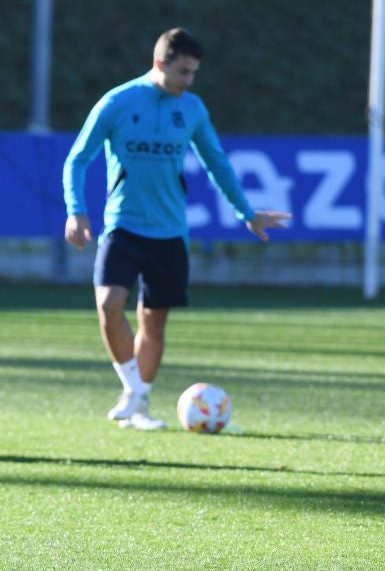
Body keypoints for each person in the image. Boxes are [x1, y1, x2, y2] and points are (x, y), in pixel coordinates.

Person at [63, 27, 291, 429]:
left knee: (153, 322)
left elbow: (216, 162)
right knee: (108, 307)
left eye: (194, 74)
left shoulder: (193, 109)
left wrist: (247, 213)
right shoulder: (118, 102)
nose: (188, 81)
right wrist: (76, 209)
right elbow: (77, 159)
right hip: (123, 226)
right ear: (160, 63)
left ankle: (140, 403)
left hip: (170, 233)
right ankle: (133, 390)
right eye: (183, 72)